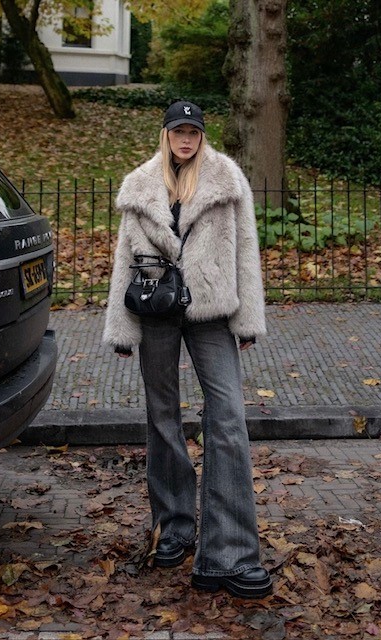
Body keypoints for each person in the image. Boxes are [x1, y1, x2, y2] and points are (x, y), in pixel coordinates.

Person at [103, 101, 272, 599]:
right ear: (166, 134)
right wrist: (121, 328)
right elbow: (123, 260)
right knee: (162, 415)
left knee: (227, 418)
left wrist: (248, 318)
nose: (186, 138)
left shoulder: (226, 179)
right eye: (178, 130)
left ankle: (230, 552)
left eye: (193, 131)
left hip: (213, 311)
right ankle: (174, 525)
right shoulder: (140, 186)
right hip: (155, 310)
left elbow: (246, 249)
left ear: (202, 136)